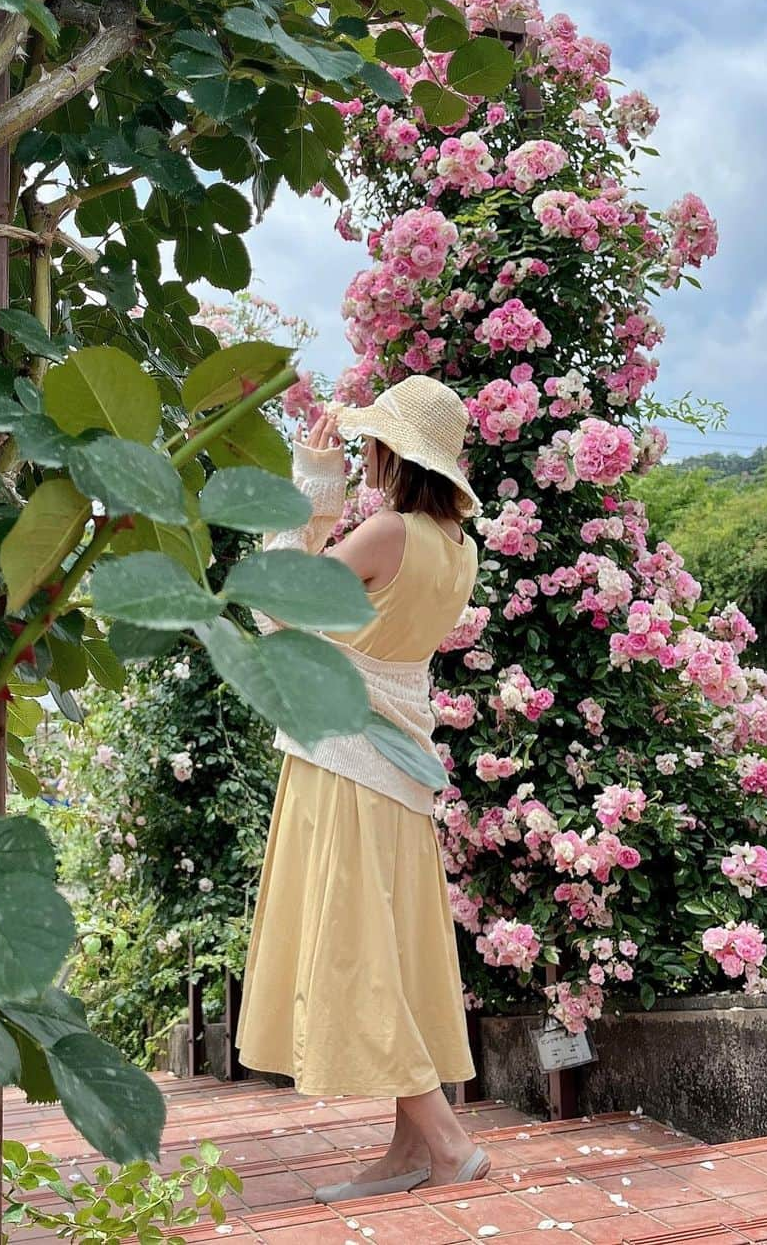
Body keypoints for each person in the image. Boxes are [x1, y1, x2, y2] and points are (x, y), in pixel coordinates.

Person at [235, 374, 491, 1202]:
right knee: (397, 951)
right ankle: (408, 1150)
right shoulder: (461, 548)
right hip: (402, 770)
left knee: (357, 950)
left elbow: (274, 602)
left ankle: (446, 1143)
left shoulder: (389, 531)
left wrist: (312, 482)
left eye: (374, 442)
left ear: (392, 454)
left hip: (345, 759)